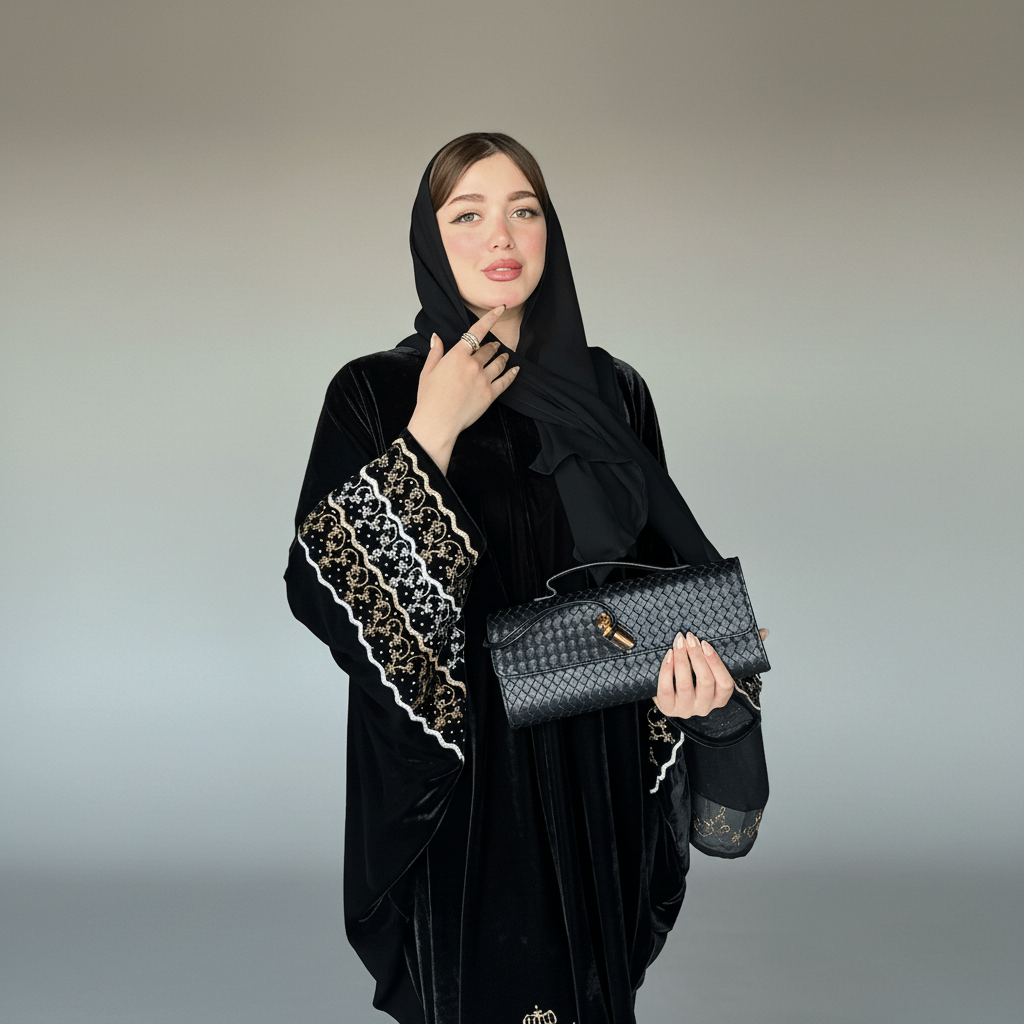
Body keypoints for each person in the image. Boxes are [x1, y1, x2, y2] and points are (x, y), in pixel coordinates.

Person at [285, 133, 769, 1024]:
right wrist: (432, 432)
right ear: (432, 241)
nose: (500, 234)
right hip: (467, 779)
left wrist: (705, 683)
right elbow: (325, 594)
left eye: (524, 209)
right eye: (467, 214)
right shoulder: (376, 393)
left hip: (596, 760)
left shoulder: (613, 393)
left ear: (550, 232)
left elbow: (661, 576)